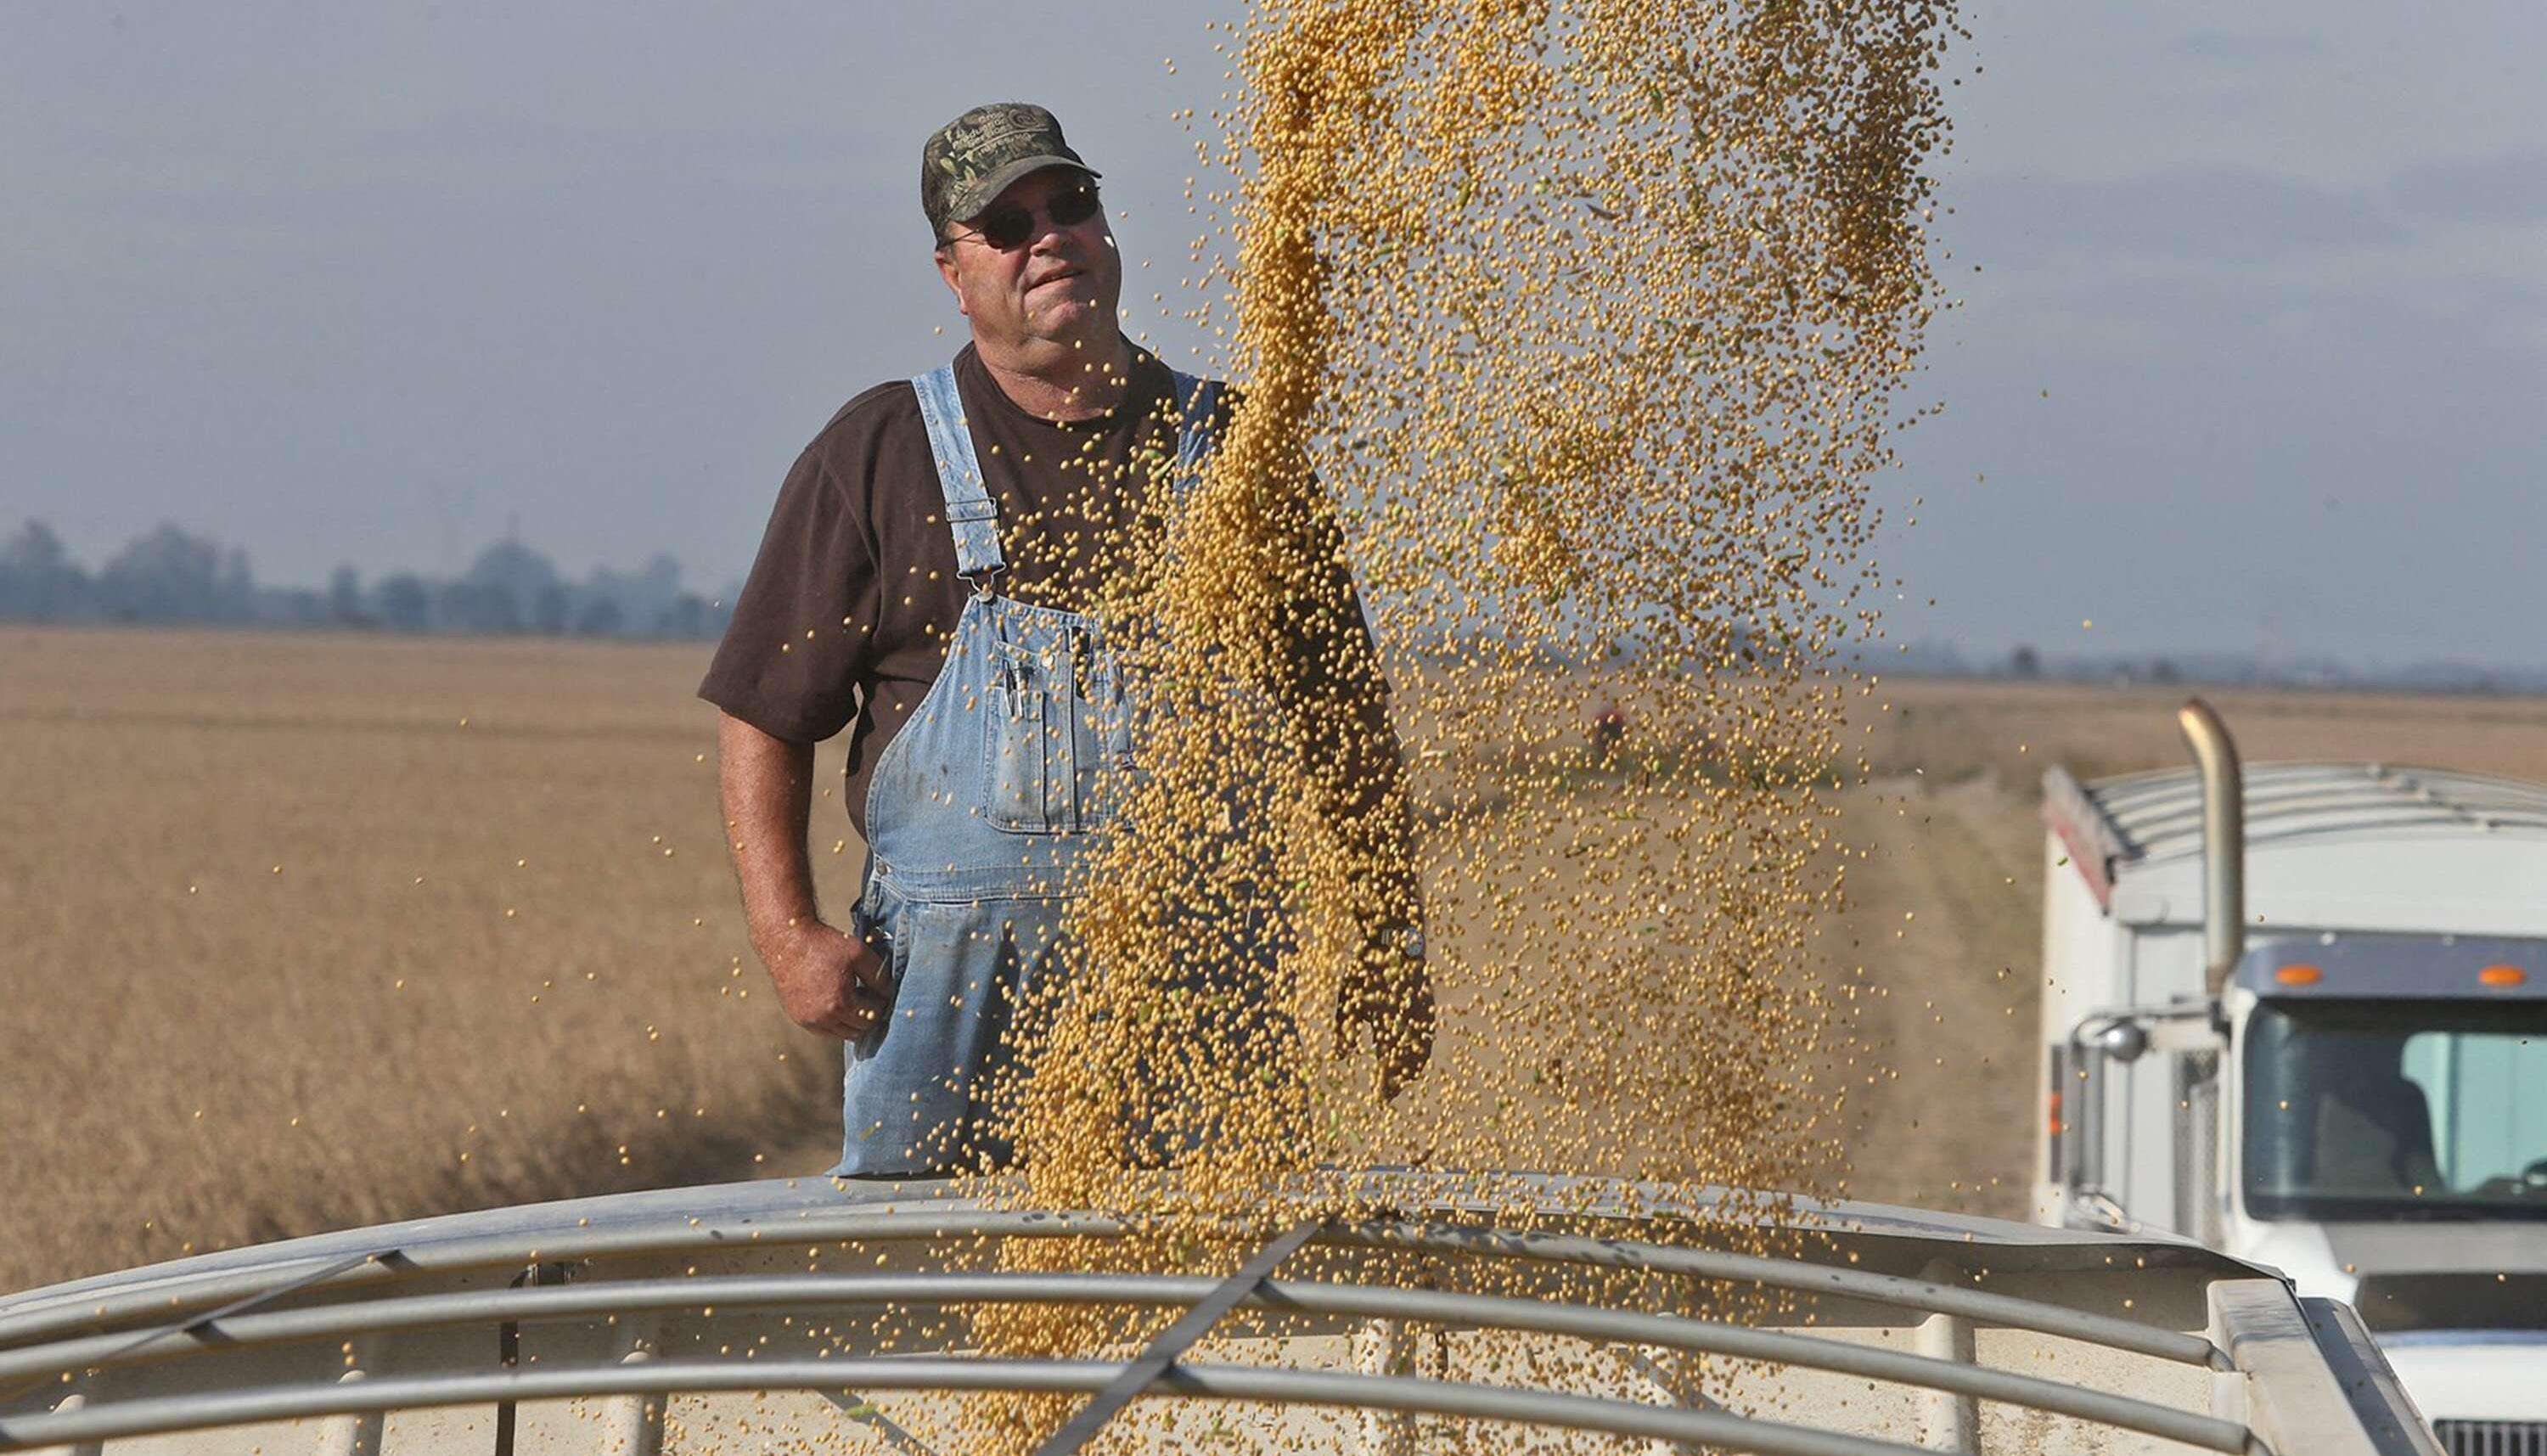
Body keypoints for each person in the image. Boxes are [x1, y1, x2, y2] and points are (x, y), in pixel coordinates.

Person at [699, 102, 1429, 1178]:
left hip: (1202, 994)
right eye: (1007, 222)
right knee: (942, 1315)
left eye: (1070, 204)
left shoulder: (1236, 451)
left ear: (1107, 229)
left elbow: (1346, 725)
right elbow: (764, 713)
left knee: (1212, 1310)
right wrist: (785, 931)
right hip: (950, 1008)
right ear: (954, 270)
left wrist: (1383, 931)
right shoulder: (881, 452)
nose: (1050, 236)